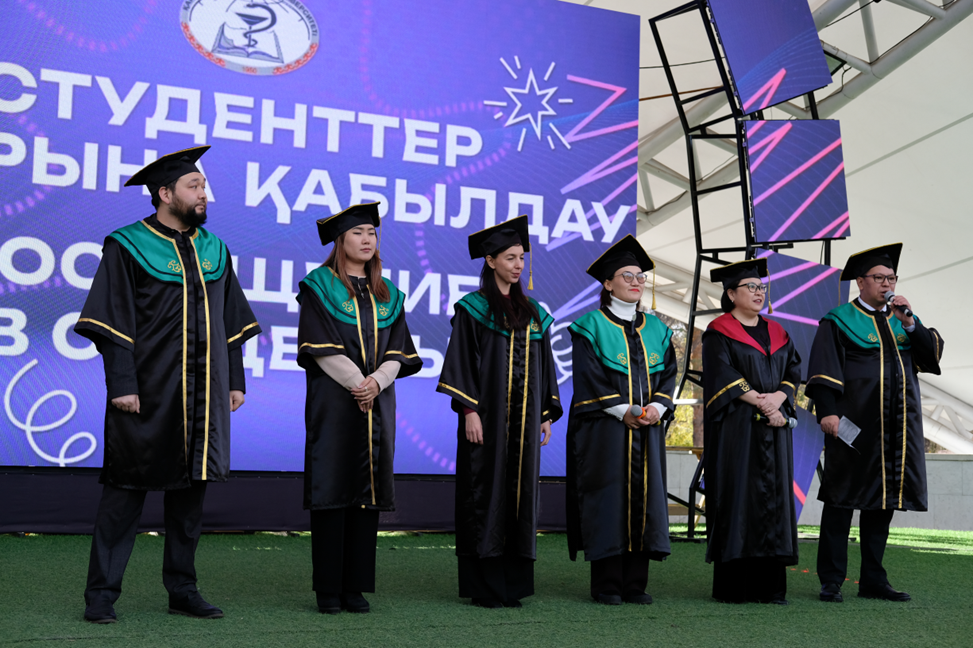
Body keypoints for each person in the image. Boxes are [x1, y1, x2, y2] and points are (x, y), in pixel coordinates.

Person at [74, 146, 261, 623]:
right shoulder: (127, 245)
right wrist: (122, 383)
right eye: (193, 186)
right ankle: (101, 595)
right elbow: (112, 320)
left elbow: (230, 322)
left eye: (203, 186)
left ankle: (183, 589)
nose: (203, 193)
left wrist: (234, 380)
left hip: (203, 395)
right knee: (124, 494)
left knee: (190, 499)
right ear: (164, 193)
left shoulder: (214, 248)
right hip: (146, 390)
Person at [296, 202, 422, 614]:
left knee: (367, 492)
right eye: (358, 233)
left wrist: (377, 383)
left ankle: (355, 586)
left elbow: (399, 349)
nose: (367, 239)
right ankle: (328, 588)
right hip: (334, 402)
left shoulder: (388, 294)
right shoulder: (318, 286)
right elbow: (319, 347)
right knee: (332, 488)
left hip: (377, 403)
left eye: (372, 233)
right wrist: (359, 384)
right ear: (340, 240)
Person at [436, 216, 562, 609]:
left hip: (524, 424)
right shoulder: (473, 309)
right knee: (484, 492)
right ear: (490, 261)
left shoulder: (533, 312)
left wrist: (545, 413)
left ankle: (513, 586)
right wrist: (469, 410)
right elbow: (461, 362)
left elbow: (544, 365)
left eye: (521, 258)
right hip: (486, 421)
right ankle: (485, 587)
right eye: (510, 258)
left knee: (520, 496)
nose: (518, 264)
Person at [807, 243, 944, 603]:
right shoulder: (839, 320)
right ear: (860, 282)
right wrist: (827, 412)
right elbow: (822, 370)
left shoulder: (903, 321)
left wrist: (910, 323)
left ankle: (872, 580)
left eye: (891, 278)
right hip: (853, 427)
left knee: (882, 504)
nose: (887, 284)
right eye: (880, 278)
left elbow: (931, 359)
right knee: (841, 502)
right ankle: (831, 580)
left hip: (896, 430)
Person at [565, 235, 676, 605]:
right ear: (608, 283)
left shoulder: (658, 330)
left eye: (640, 276)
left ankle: (635, 584)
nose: (636, 282)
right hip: (605, 429)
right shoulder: (590, 327)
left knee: (645, 500)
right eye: (627, 276)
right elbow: (589, 377)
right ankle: (607, 584)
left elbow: (668, 375)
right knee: (608, 498)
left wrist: (658, 407)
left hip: (648, 430)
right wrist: (622, 410)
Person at [701, 257, 801, 605]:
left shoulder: (778, 332)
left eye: (762, 287)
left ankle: (770, 587)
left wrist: (778, 399)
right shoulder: (718, 331)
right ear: (731, 294)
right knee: (739, 497)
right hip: (738, 426)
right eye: (751, 287)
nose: (759, 293)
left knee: (775, 499)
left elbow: (793, 371)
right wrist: (761, 401)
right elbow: (721, 374)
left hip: (774, 427)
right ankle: (737, 587)